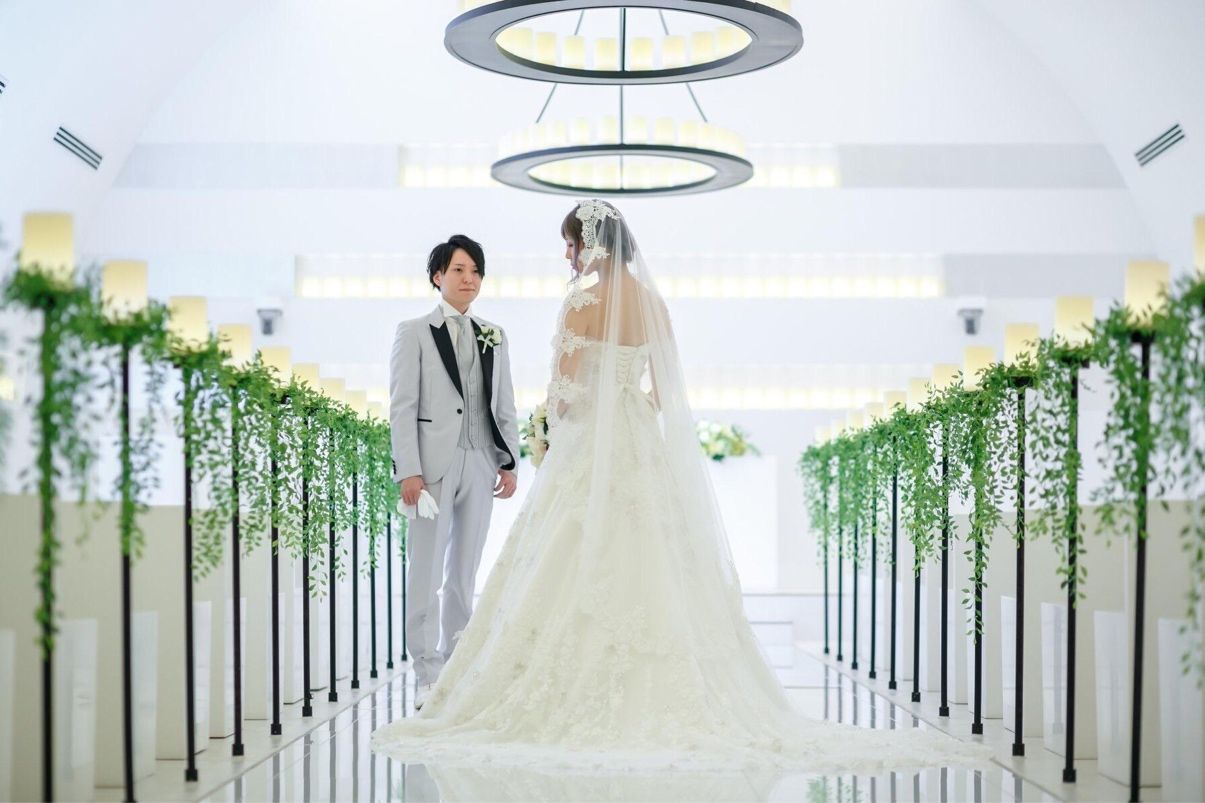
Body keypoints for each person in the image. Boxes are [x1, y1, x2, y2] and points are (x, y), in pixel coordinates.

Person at [374, 202, 989, 773]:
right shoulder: (652, 302)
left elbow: (564, 392)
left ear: (590, 245)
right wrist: (629, 407)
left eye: (570, 244)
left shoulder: (582, 301)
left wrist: (550, 430)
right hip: (638, 441)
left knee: (566, 549)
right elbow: (664, 390)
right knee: (657, 552)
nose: (567, 255)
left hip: (589, 443)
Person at [387, 233, 519, 711]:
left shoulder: (494, 334)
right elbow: (402, 406)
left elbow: (504, 402)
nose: (469, 279)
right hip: (431, 470)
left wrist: (508, 460)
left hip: (480, 461)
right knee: (425, 573)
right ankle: (427, 673)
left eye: (476, 271)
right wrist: (409, 469)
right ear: (438, 276)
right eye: (460, 270)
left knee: (464, 573)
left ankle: (456, 669)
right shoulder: (414, 332)